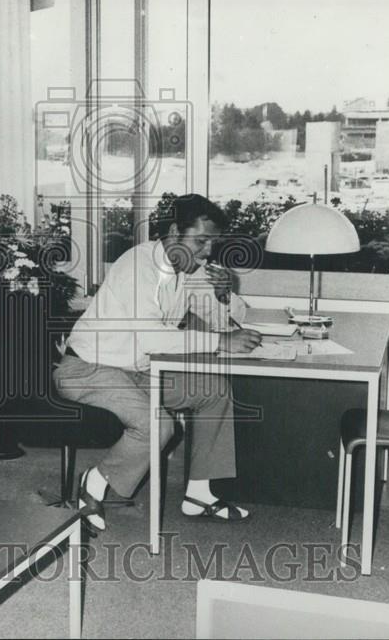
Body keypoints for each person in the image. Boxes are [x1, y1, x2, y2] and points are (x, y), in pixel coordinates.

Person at [54, 194, 263, 534]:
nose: (208, 251)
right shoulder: (137, 265)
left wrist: (225, 295)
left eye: (212, 243)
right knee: (159, 426)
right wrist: (221, 342)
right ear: (173, 232)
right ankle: (95, 479)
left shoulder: (189, 269)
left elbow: (222, 321)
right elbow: (153, 338)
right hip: (87, 369)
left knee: (213, 391)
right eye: (200, 241)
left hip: (136, 370)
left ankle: (199, 493)